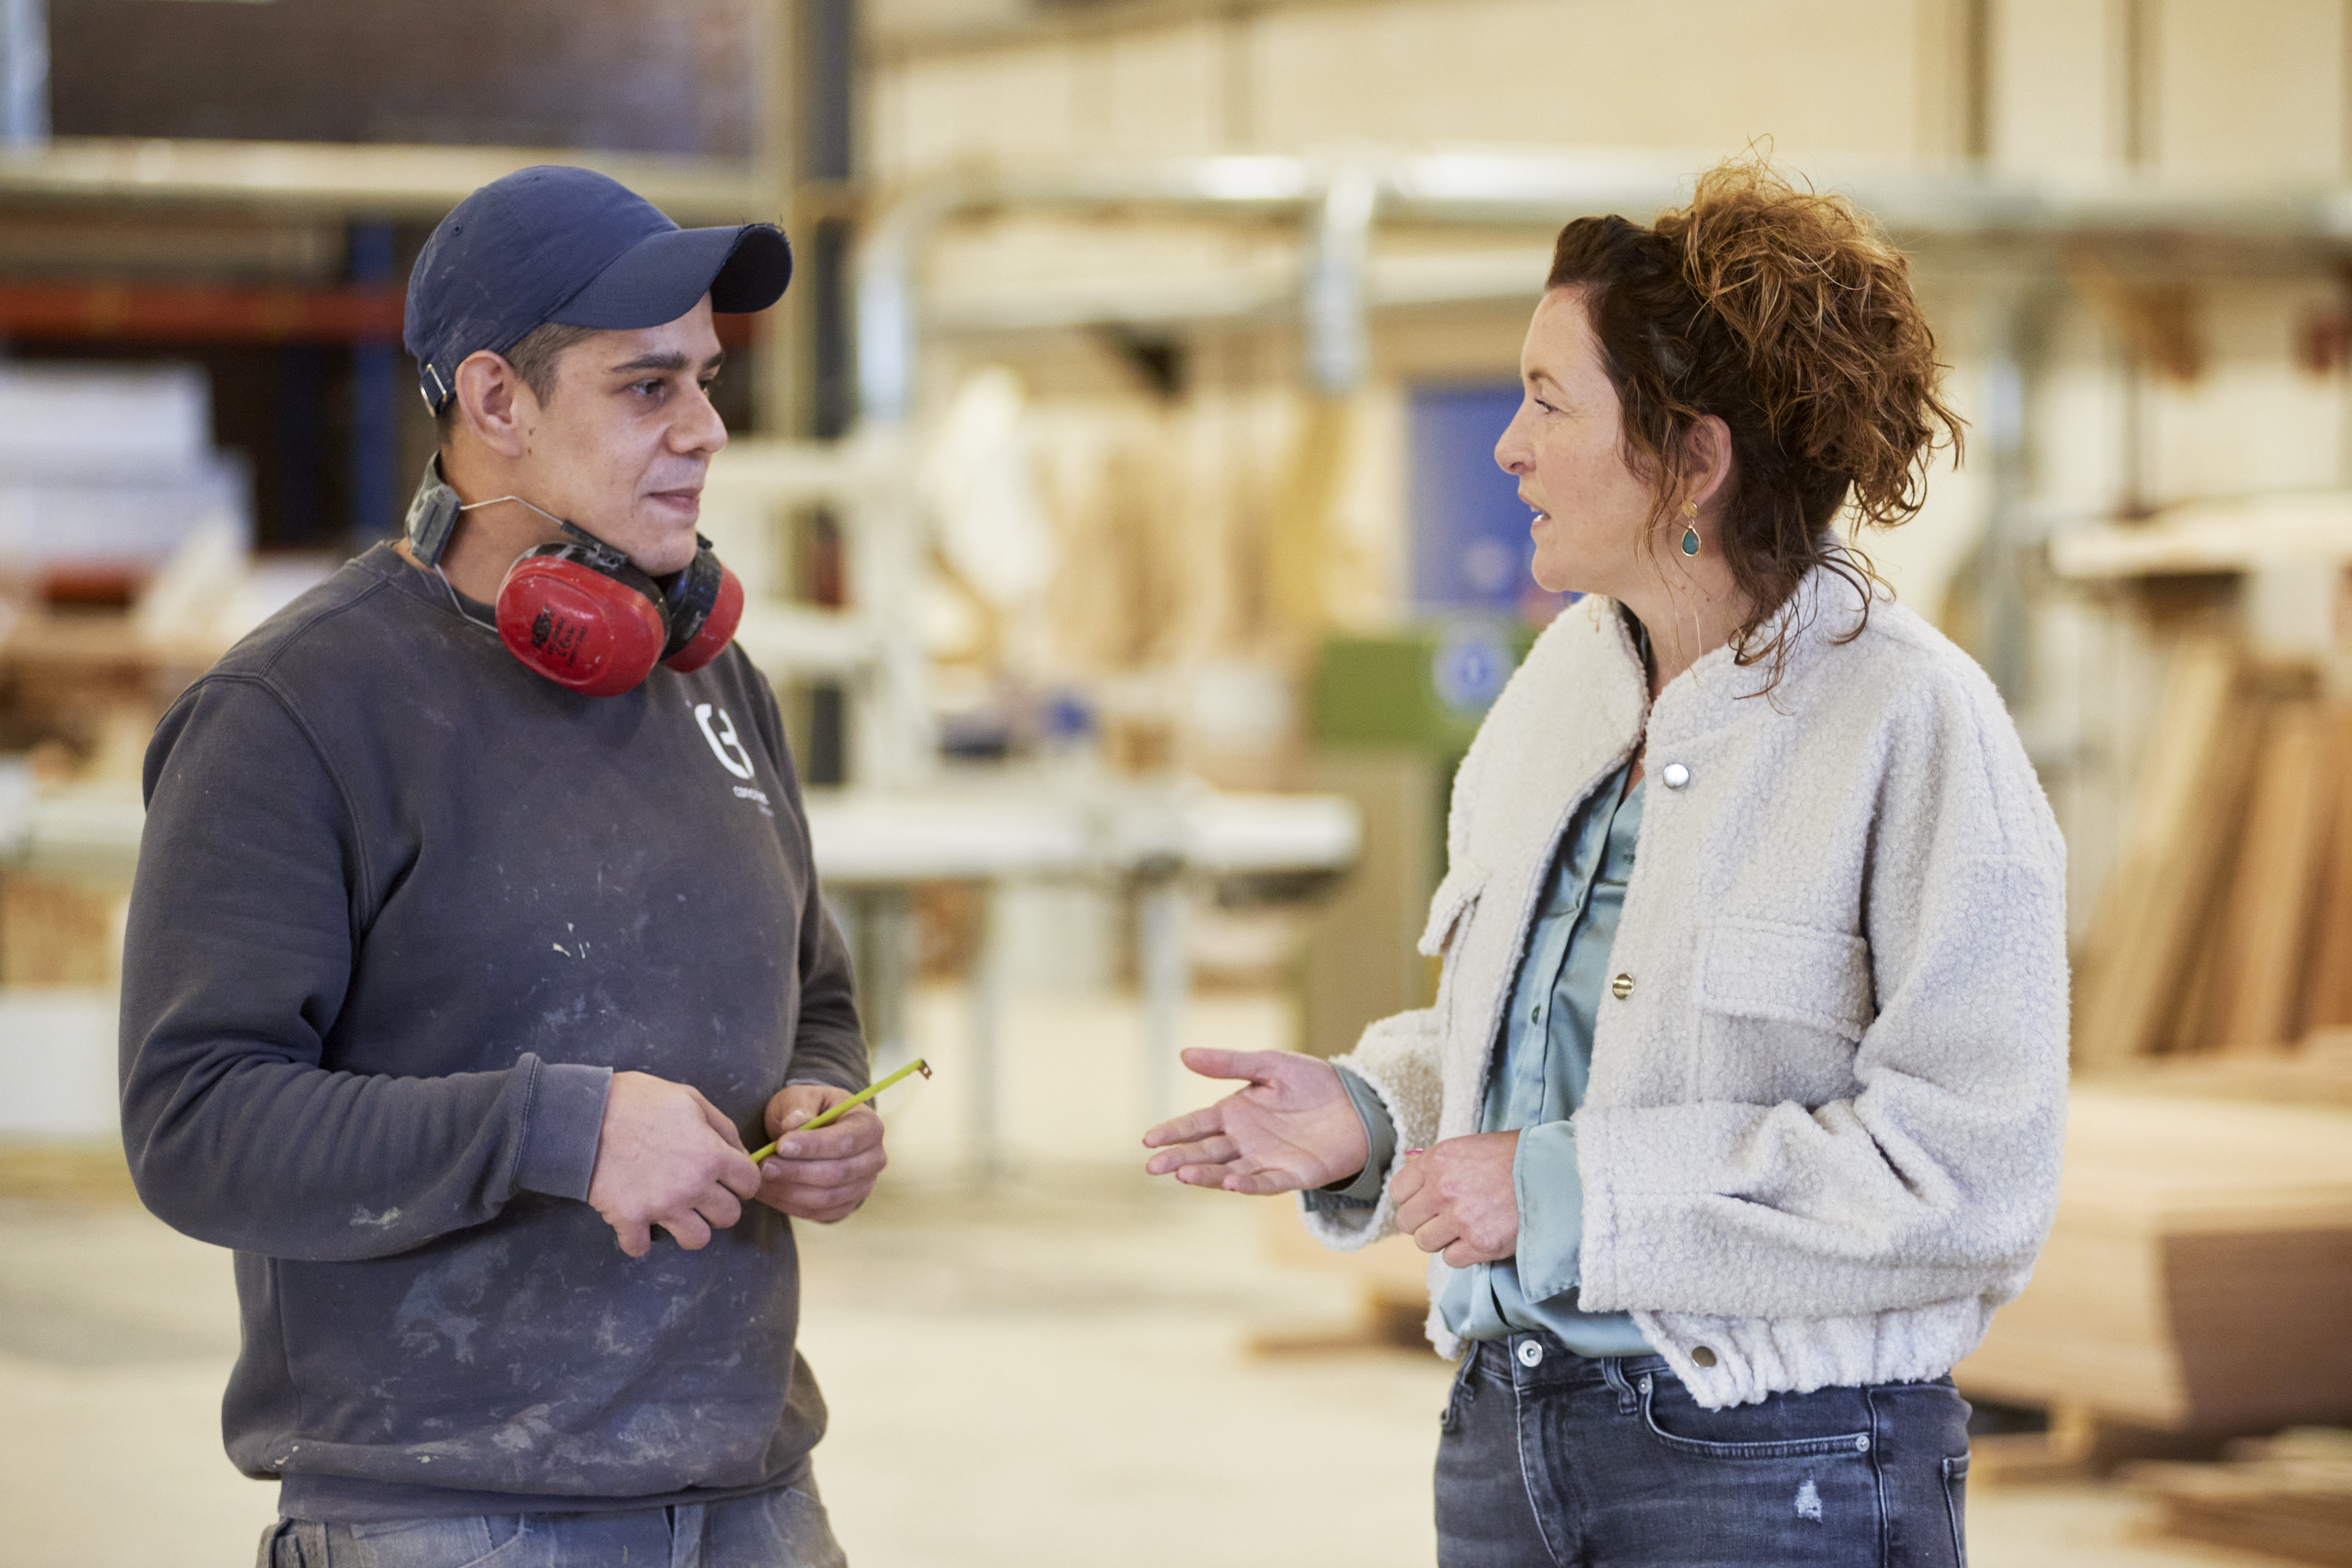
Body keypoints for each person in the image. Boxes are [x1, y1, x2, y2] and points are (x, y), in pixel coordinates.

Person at [1143, 156, 2066, 1568]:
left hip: (1775, 1468)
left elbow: (1968, 1179)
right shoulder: (1557, 690)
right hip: (1507, 1435)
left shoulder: (1909, 724)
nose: (1506, 447)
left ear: (1691, 460)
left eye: (1547, 401)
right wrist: (1373, 1117)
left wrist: (1572, 1192)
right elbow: (1554, 1060)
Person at [120, 165, 885, 1568]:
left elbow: (813, 991)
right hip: (446, 1515)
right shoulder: (297, 713)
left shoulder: (713, 687)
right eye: (648, 388)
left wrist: (821, 1099)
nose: (708, 432)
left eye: (708, 382)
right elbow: (195, 1128)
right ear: (495, 405)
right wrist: (562, 1131)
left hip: (756, 1494)